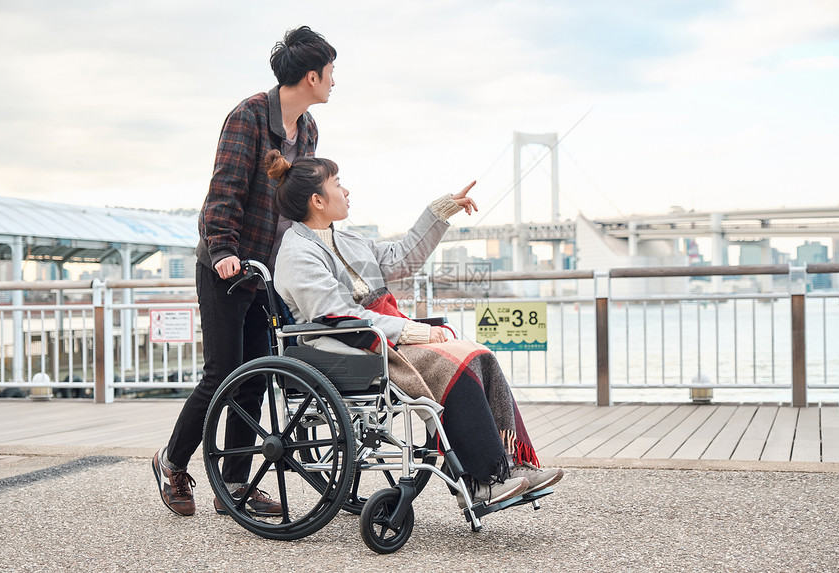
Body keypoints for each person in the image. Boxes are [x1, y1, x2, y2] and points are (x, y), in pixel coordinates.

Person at [269, 151, 564, 508]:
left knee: (477, 354)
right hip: (345, 346)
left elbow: (403, 258)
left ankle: (510, 465)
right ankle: (483, 480)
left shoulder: (347, 240)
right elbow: (338, 317)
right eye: (338, 184)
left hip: (375, 338)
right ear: (318, 200)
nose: (346, 192)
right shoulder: (297, 252)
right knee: (449, 363)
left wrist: (441, 211)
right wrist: (416, 333)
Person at [152, 26, 337, 517]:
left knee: (255, 377)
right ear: (312, 75)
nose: (335, 81)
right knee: (222, 375)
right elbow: (223, 194)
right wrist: (223, 252)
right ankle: (172, 462)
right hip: (227, 266)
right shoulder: (249, 117)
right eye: (331, 72)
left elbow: (299, 203)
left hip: (268, 271)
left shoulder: (309, 130)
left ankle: (232, 483)